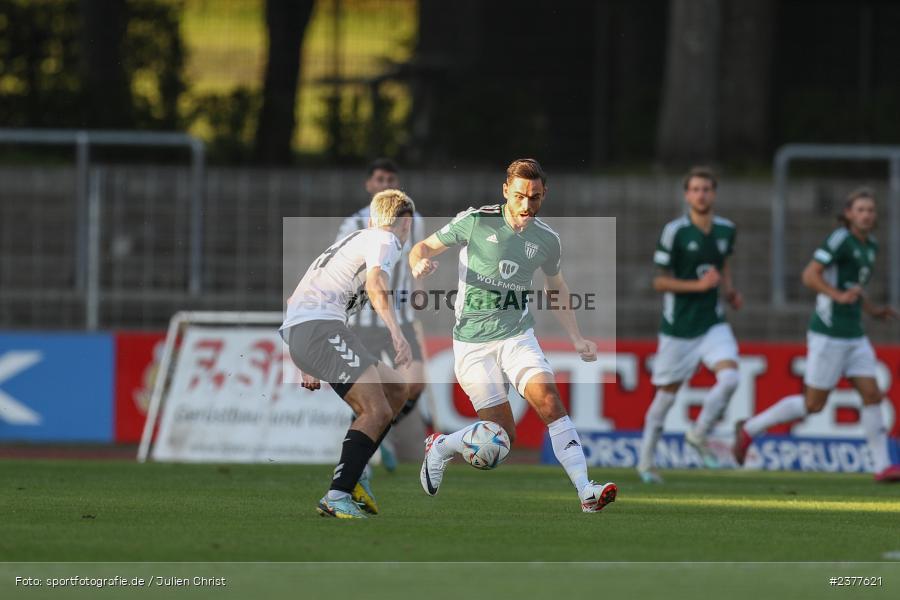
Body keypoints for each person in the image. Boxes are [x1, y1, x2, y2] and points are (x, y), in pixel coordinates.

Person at [408, 158, 617, 513]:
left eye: (534, 197)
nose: (526, 205)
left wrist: (577, 338)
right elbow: (423, 247)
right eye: (519, 196)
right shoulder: (475, 221)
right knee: (499, 442)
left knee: (550, 402)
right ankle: (441, 447)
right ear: (506, 191)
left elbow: (557, 288)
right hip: (472, 344)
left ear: (544, 194)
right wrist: (418, 264)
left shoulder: (547, 240)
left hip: (517, 337)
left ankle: (586, 491)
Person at [734, 187, 900, 482]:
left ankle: (883, 466)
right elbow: (810, 275)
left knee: (872, 395)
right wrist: (836, 296)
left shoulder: (870, 245)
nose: (865, 215)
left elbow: (854, 290)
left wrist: (873, 311)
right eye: (860, 209)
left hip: (855, 334)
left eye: (870, 210)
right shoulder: (840, 239)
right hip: (829, 333)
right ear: (848, 214)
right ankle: (751, 428)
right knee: (813, 404)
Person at [280, 190, 415, 518]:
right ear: (404, 225)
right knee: (377, 409)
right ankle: (338, 494)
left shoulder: (358, 239)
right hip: (321, 330)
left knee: (397, 389)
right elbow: (375, 285)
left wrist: (302, 358)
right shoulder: (386, 239)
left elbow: (292, 302)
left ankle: (357, 475)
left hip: (311, 330)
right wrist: (398, 333)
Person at [637, 167, 742, 484]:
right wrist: (698, 287)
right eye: (695, 189)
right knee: (666, 398)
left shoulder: (726, 230)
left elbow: (723, 264)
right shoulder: (675, 232)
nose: (701, 194)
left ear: (714, 193)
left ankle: (699, 433)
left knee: (731, 377)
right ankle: (645, 463)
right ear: (687, 195)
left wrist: (729, 291)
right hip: (678, 327)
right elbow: (658, 281)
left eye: (706, 189)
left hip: (713, 322)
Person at [329, 159, 429, 470]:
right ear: (369, 185)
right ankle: (361, 455)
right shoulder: (355, 222)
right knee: (366, 390)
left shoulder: (414, 219)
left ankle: (381, 432)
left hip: (400, 314)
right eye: (380, 178)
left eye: (391, 178)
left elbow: (416, 254)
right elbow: (342, 266)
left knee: (415, 383)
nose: (385, 183)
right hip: (363, 319)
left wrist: (419, 275)